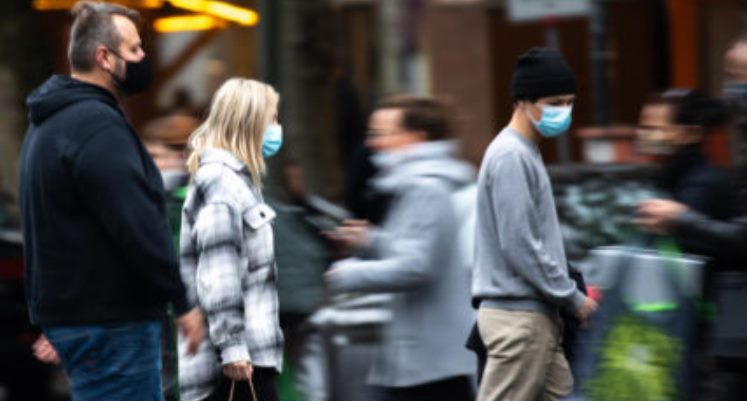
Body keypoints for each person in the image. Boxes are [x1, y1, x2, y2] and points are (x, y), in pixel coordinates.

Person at [18, 2, 204, 400]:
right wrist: (182, 301)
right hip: (115, 326)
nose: (142, 57)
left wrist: (55, 317)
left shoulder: (47, 125)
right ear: (104, 57)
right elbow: (138, 223)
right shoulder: (98, 127)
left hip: (81, 323)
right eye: (134, 49)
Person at [325, 95, 477, 401]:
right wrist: (370, 241)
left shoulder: (425, 188)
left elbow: (416, 267)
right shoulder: (417, 184)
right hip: (425, 356)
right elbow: (415, 251)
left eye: (382, 133)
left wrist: (345, 274)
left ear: (417, 137)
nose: (372, 143)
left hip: (429, 358)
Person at [471, 47, 598, 401]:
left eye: (569, 103)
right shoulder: (511, 156)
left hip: (533, 318)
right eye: (554, 102)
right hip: (520, 322)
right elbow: (520, 245)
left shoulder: (524, 151)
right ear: (522, 101)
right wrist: (572, 298)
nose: (563, 112)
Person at [178, 78, 284, 401]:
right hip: (235, 363)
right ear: (251, 122)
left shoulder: (237, 181)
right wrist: (233, 346)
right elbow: (219, 270)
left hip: (246, 356)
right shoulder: (222, 183)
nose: (277, 127)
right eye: (272, 118)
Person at [636, 89, 731, 225]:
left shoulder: (701, 185)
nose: (642, 134)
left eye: (654, 128)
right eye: (643, 127)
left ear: (691, 134)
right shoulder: (668, 173)